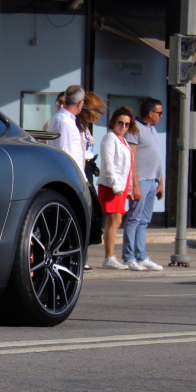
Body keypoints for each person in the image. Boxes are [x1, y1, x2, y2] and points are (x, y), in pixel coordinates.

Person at [122, 97, 166, 271]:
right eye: (159, 113)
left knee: (144, 220)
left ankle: (141, 256)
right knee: (133, 218)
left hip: (152, 180)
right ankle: (128, 257)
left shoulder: (153, 129)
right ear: (151, 113)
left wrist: (160, 181)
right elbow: (131, 158)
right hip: (140, 180)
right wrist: (135, 184)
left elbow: (157, 158)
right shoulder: (135, 129)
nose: (161, 116)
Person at [98, 107, 140, 270]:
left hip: (120, 187)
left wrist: (127, 188)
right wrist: (116, 185)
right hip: (111, 185)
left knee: (117, 220)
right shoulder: (110, 138)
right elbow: (108, 163)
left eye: (127, 124)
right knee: (113, 220)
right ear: (113, 122)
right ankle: (108, 257)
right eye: (120, 123)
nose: (123, 126)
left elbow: (127, 167)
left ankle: (110, 256)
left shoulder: (122, 141)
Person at [77, 92, 106, 270]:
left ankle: (84, 256)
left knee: (92, 213)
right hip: (83, 170)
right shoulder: (77, 125)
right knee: (88, 213)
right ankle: (81, 257)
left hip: (88, 168)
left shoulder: (85, 126)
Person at [45, 85, 86, 173]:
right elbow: (65, 153)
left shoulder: (64, 118)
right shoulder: (65, 121)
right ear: (80, 103)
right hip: (70, 175)